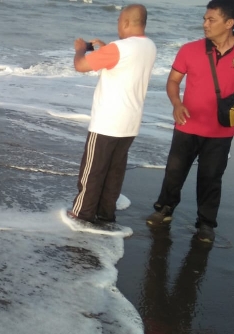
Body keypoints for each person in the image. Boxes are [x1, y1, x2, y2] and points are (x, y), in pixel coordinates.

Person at [146, 0, 234, 243]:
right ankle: (164, 209)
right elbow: (173, 81)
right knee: (174, 173)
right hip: (187, 125)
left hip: (221, 131)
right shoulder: (189, 50)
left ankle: (205, 224)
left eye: (211, 19)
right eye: (204, 19)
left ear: (229, 23)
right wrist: (177, 103)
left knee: (211, 178)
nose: (204, 24)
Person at [67, 4, 157, 226]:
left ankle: (82, 214)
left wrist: (80, 48)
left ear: (126, 22)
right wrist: (106, 49)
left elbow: (80, 65)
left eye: (118, 20)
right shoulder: (149, 46)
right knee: (114, 171)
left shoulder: (119, 48)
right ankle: (106, 214)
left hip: (107, 122)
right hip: (130, 123)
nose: (117, 24)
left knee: (93, 171)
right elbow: (125, 64)